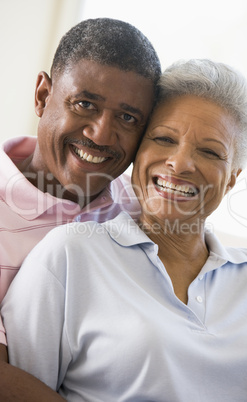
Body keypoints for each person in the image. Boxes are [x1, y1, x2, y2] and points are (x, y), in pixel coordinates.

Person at [2, 58, 247, 401]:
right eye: (164, 139)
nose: (181, 163)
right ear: (137, 153)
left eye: (210, 152)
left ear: (232, 178)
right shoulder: (68, 255)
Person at [0, 17, 160, 401]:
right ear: (42, 96)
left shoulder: (143, 208)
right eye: (85, 104)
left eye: (127, 117)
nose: (101, 134)